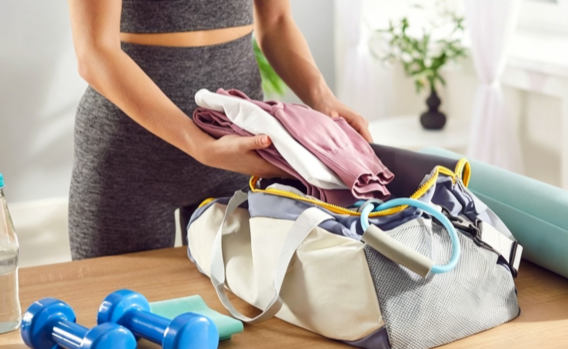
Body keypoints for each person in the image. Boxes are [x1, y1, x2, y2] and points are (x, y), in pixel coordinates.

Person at [66, 0, 371, 260]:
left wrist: (323, 99)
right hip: (130, 159)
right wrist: (201, 146)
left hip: (239, 153)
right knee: (116, 320)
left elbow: (277, 22)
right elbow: (95, 52)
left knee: (241, 319)